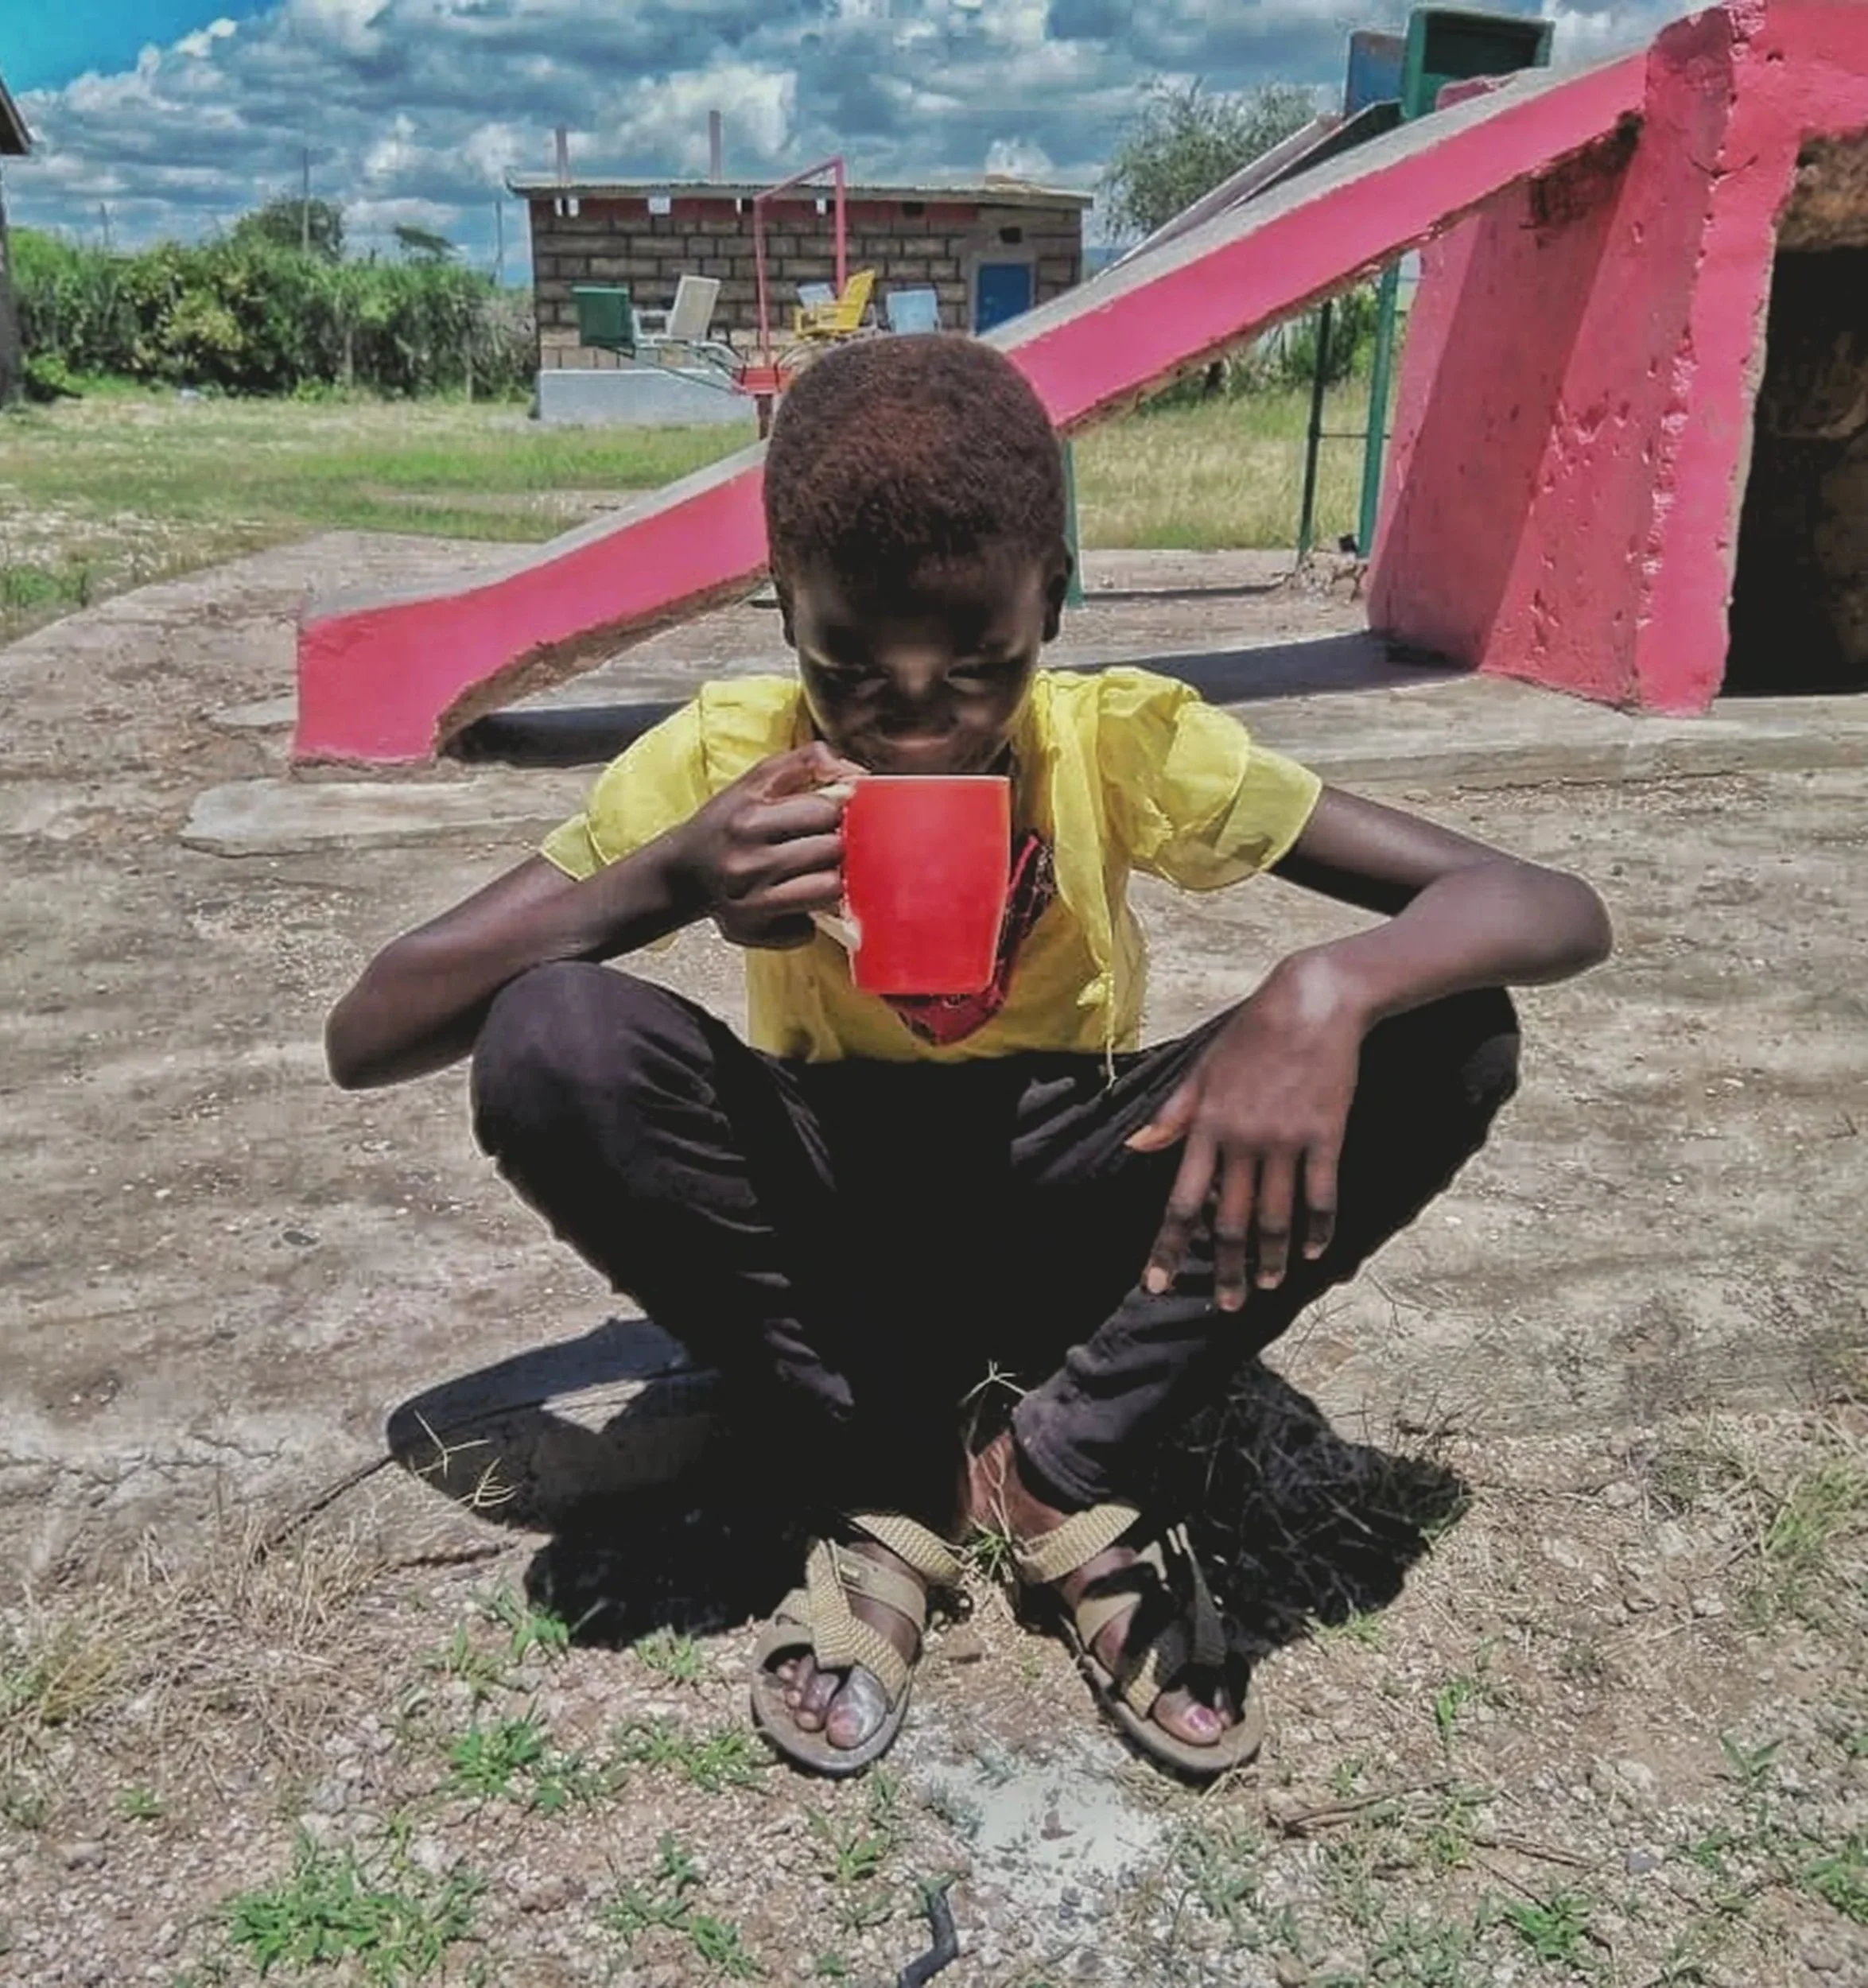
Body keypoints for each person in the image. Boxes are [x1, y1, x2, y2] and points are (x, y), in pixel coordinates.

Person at [325, 336, 1611, 1780]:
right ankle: (899, 1475)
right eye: (849, 670)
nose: (920, 718)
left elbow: (1552, 910)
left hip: (1075, 1194)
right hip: (834, 1228)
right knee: (552, 1032)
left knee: (1450, 1027)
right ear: (782, 614)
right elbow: (373, 1031)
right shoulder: (725, 760)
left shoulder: (1113, 744)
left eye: (981, 667)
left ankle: (1065, 1461)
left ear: (1051, 603)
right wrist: (672, 879)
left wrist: (1330, 987)